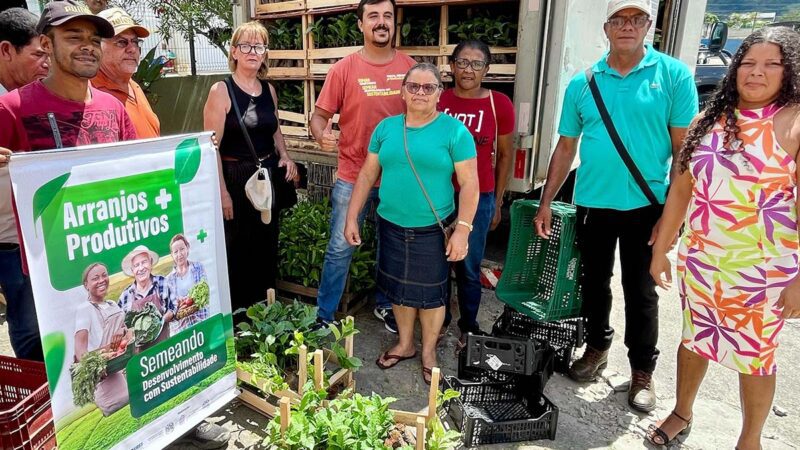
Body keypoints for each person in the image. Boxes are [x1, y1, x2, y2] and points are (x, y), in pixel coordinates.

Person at [533, 0, 698, 413]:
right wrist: (546, 201)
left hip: (647, 205)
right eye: (618, 20)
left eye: (636, 20)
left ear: (648, 26)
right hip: (592, 202)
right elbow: (566, 145)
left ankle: (642, 370)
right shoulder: (583, 82)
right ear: (606, 28)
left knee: (641, 291)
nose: (627, 27)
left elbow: (683, 153)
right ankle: (597, 346)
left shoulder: (673, 76)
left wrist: (672, 218)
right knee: (593, 283)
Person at [649, 27, 800, 449]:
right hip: (703, 261)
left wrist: (799, 281)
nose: (756, 73)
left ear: (789, 71)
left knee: (756, 358)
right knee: (694, 338)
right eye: (749, 63)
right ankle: (682, 410)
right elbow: (681, 190)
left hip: (764, 274)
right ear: (735, 69)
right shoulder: (706, 121)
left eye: (772, 64)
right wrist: (662, 250)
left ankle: (749, 439)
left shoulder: (794, 124)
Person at [0, 0, 130, 362]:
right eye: (74, 36)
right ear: (45, 43)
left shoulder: (113, 109)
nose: (88, 45)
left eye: (95, 38)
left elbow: (137, 170)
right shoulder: (12, 109)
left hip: (107, 253)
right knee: (47, 353)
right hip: (46, 273)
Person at [344, 63, 479, 384]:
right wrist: (352, 215)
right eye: (414, 86)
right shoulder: (386, 129)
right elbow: (366, 173)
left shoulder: (454, 132)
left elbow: (470, 184)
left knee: (433, 296)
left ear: (439, 94)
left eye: (428, 87)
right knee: (400, 291)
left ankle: (429, 351)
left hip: (432, 229)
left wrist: (463, 230)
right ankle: (405, 344)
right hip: (391, 224)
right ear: (403, 91)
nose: (420, 92)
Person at [310, 0, 416, 331]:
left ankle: (385, 306)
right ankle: (324, 316)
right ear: (360, 25)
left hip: (398, 180)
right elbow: (319, 117)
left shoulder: (411, 69)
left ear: (395, 23)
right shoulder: (343, 70)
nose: (381, 22)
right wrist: (320, 136)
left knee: (393, 248)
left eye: (387, 16)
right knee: (340, 249)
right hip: (352, 177)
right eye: (373, 16)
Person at [203, 21, 298, 314]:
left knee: (266, 246)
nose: (252, 52)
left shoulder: (268, 90)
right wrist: (222, 193)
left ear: (265, 53)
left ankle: (264, 310)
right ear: (234, 51)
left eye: (259, 46)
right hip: (235, 179)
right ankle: (238, 316)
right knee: (238, 251)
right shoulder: (221, 91)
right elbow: (211, 147)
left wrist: (285, 155)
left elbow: (275, 129)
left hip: (266, 178)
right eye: (245, 45)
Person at [438, 40, 515, 345]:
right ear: (452, 65)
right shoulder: (440, 101)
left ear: (487, 69)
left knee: (469, 266)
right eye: (462, 62)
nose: (468, 69)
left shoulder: (499, 104)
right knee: (439, 263)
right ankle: (439, 320)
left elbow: (506, 155)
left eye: (477, 64)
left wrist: (497, 202)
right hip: (442, 197)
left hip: (479, 198)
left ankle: (468, 325)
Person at [0, 7, 50, 361]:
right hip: (10, 240)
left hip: (42, 232)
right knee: (29, 327)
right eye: (37, 54)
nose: (46, 63)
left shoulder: (36, 97)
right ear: (6, 50)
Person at [92, 7, 160, 138]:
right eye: (122, 42)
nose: (132, 49)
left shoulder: (134, 87)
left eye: (135, 41)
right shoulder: (90, 93)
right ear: (97, 46)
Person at [74, 263, 130, 417]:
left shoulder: (112, 304)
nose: (102, 280)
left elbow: (125, 332)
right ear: (86, 285)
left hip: (122, 368)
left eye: (104, 275)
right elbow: (80, 350)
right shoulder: (85, 309)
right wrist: (96, 368)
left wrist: (122, 330)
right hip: (105, 378)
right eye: (95, 278)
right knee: (119, 416)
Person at [118, 245, 174, 348]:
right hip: (140, 357)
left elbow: (173, 308)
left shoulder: (162, 282)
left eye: (144, 262)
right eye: (136, 265)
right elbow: (121, 328)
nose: (141, 268)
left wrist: (160, 322)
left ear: (151, 262)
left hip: (165, 349)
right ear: (132, 270)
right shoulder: (125, 296)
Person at [165, 234, 209, 334]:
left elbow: (204, 294)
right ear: (172, 255)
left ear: (187, 248)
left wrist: (186, 301)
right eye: (175, 252)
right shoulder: (168, 280)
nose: (179, 254)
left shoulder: (198, 267)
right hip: (180, 331)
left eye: (182, 249)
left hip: (201, 322)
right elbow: (170, 309)